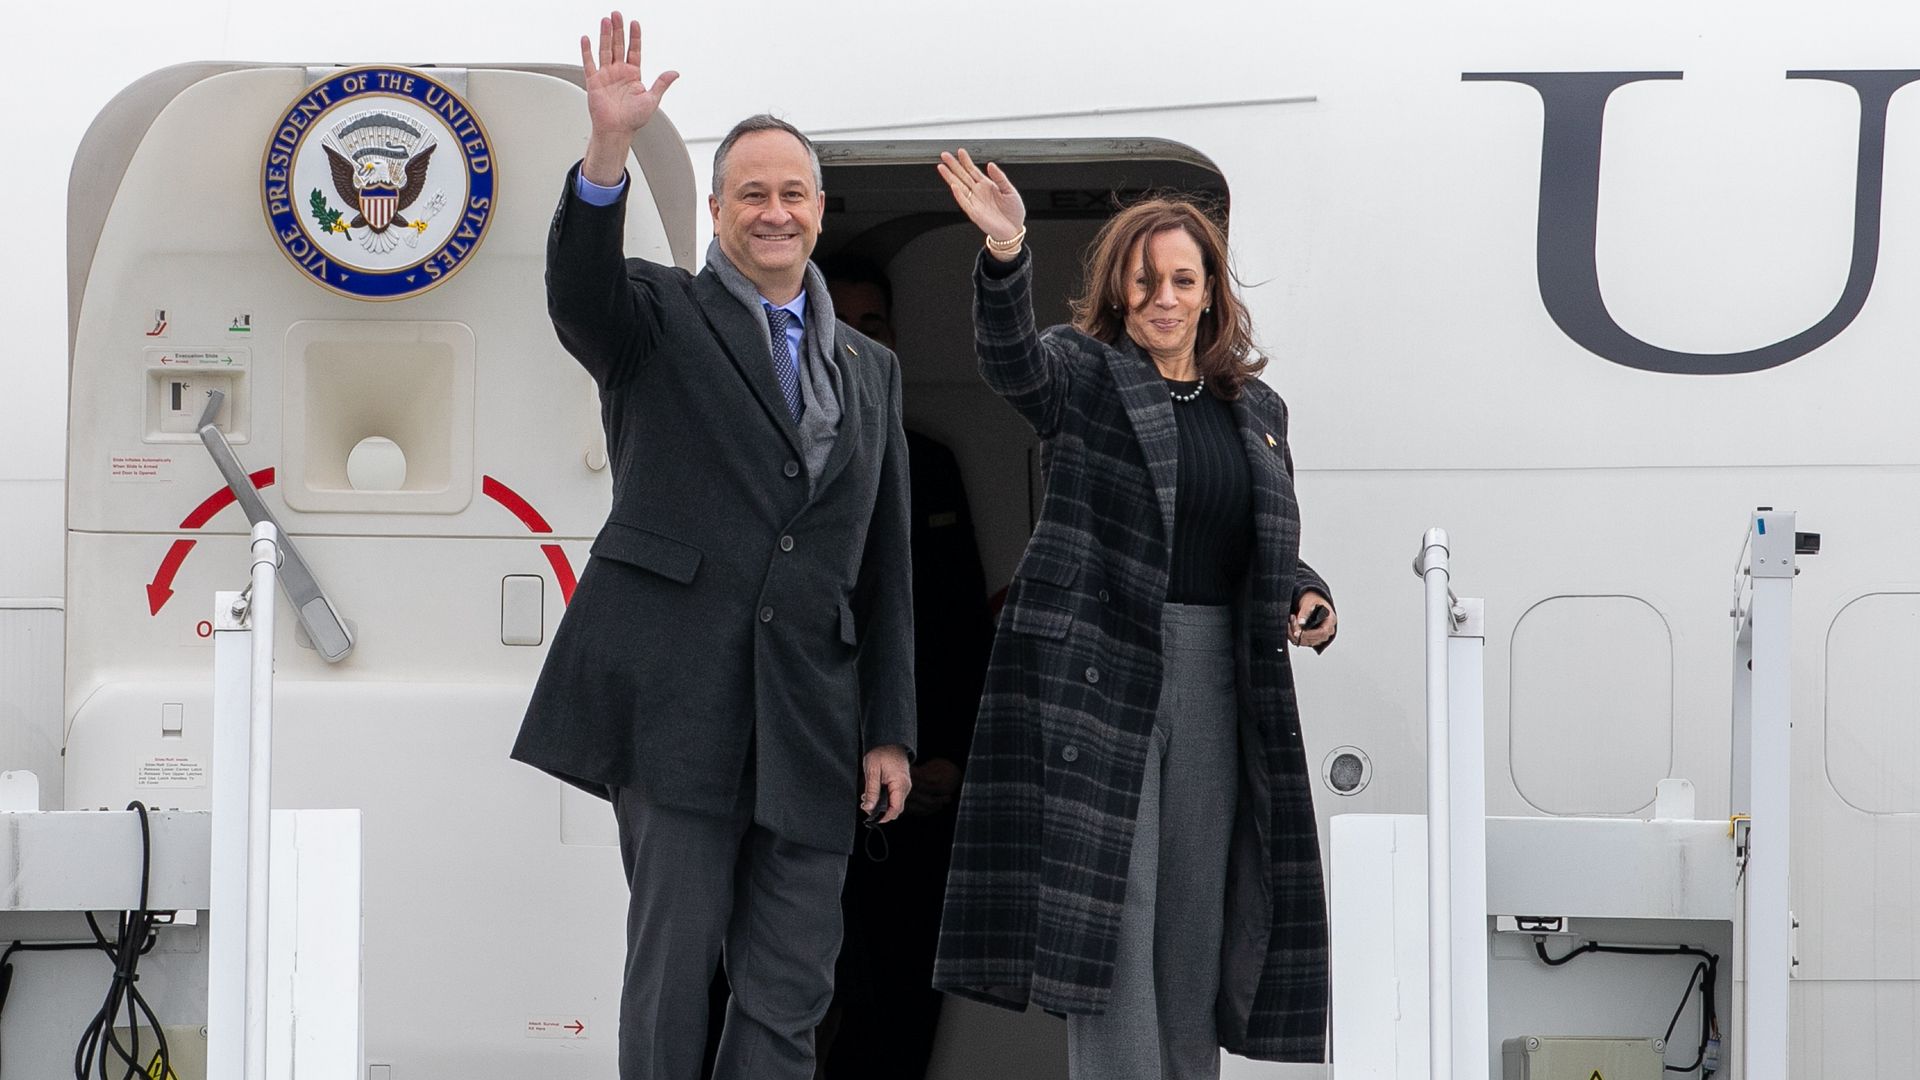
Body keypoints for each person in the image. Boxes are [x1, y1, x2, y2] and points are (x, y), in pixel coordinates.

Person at [509, 14, 915, 1080]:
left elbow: (886, 568)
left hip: (812, 724)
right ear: (722, 211)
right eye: (753, 194)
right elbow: (576, 289)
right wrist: (606, 152)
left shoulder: (871, 370)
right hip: (676, 706)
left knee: (791, 988)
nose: (774, 211)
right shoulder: (655, 315)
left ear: (820, 211)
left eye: (793, 194)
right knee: (673, 973)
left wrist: (890, 730)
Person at [930, 149, 1340, 1079]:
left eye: (1183, 280)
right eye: (1145, 279)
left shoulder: (1257, 407)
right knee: (1114, 925)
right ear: (1119, 289)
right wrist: (1005, 250)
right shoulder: (1083, 374)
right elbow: (1009, 361)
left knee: (1196, 930)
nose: (1163, 296)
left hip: (1216, 678)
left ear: (1209, 295)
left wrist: (1303, 591)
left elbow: (1248, 537)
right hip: (1101, 681)